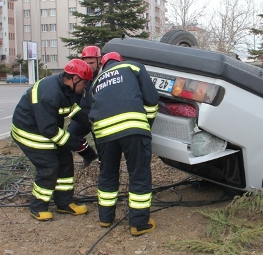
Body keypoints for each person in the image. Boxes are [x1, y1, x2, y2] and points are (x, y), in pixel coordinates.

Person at [11, 59, 97, 221]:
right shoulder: (50, 94)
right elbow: (49, 131)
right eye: (84, 82)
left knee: (65, 160)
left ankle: (64, 203)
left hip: (45, 128)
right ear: (75, 79)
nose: (85, 86)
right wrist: (77, 144)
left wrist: (91, 123)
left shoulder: (68, 90)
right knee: (49, 166)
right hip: (29, 131)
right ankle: (38, 206)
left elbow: (72, 110)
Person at [89, 51, 159, 236]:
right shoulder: (133, 66)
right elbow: (152, 100)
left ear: (102, 65)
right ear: (120, 60)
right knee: (139, 174)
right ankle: (138, 224)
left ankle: (105, 218)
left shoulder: (97, 81)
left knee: (108, 174)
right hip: (132, 129)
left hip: (104, 134)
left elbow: (91, 109)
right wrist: (146, 126)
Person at [67, 45, 102, 168]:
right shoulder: (81, 74)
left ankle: (104, 164)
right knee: (70, 136)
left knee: (101, 142)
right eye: (86, 62)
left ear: (99, 60)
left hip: (99, 115)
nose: (89, 65)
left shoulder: (105, 75)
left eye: (92, 62)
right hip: (83, 113)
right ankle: (88, 155)